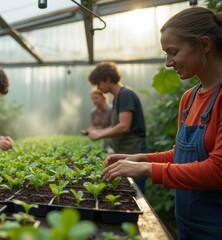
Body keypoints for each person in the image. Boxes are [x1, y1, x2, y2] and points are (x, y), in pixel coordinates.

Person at [102, 7, 222, 239]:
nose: (168, 62)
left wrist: (145, 169)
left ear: (204, 45)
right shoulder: (189, 98)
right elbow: (181, 155)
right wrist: (140, 158)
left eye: (173, 52)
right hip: (187, 223)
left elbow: (218, 170)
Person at [86, 61, 147, 193]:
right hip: (127, 153)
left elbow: (124, 126)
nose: (98, 87)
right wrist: (98, 131)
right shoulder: (117, 97)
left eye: (98, 83)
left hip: (134, 151)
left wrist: (99, 134)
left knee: (137, 193)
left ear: (107, 79)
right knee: (130, 192)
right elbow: (115, 126)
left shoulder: (125, 95)